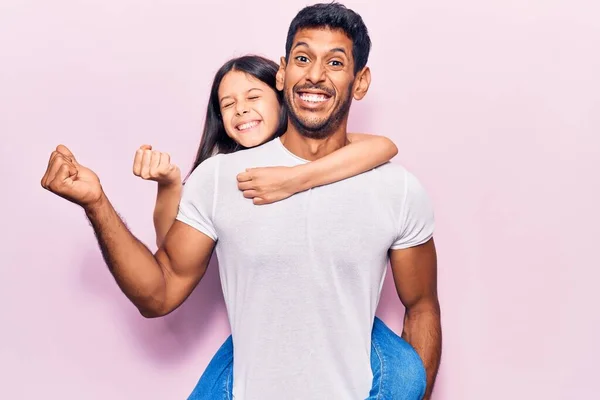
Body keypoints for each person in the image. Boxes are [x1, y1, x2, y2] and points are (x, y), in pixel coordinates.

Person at [40, 3, 441, 400]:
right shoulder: (219, 179)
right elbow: (158, 293)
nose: (315, 75)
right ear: (283, 72)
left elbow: (422, 307)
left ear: (360, 81)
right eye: (303, 58)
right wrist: (97, 203)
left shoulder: (397, 189)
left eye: (335, 63)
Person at [130, 55, 426, 400]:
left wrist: (294, 178)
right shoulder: (219, 176)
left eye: (253, 97)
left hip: (341, 314)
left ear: (283, 94)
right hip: (266, 324)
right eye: (228, 104)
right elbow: (171, 254)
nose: (241, 109)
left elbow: (383, 146)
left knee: (405, 374)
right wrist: (169, 186)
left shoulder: (326, 149)